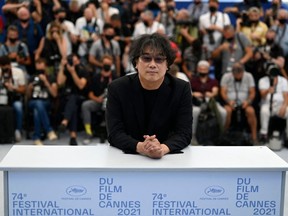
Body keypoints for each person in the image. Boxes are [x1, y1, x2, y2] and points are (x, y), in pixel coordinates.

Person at [106, 33, 192, 159]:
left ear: (167, 64)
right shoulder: (117, 88)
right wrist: (141, 147)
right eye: (146, 58)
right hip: (127, 159)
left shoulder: (181, 88)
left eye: (159, 59)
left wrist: (162, 149)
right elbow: (114, 133)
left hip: (168, 160)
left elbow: (184, 133)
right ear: (136, 62)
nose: (152, 64)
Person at [81, 55, 117, 144]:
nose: (107, 65)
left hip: (110, 103)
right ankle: (88, 133)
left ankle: (112, 133)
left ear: (112, 64)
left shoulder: (115, 77)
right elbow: (90, 93)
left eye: (109, 64)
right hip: (98, 101)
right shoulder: (96, 77)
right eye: (105, 63)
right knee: (85, 105)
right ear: (102, 64)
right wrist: (97, 99)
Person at [220, 63, 258, 144]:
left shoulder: (249, 76)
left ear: (243, 72)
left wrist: (248, 102)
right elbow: (223, 92)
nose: (237, 76)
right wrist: (229, 101)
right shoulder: (226, 76)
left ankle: (254, 137)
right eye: (235, 74)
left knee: (251, 111)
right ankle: (223, 135)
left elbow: (252, 92)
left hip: (245, 102)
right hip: (230, 102)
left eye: (239, 74)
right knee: (227, 111)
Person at [190, 60, 226, 145]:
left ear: (208, 70)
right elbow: (188, 92)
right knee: (194, 112)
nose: (203, 71)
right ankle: (193, 135)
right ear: (198, 69)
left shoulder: (213, 81)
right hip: (196, 103)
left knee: (223, 112)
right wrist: (194, 94)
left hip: (211, 103)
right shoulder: (193, 81)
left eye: (204, 69)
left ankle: (221, 134)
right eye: (201, 69)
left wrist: (211, 94)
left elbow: (215, 91)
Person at [57, 54, 88, 145]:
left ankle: (65, 122)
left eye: (75, 61)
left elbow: (81, 86)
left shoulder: (83, 70)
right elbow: (59, 83)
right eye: (71, 61)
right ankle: (73, 137)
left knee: (73, 99)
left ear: (78, 60)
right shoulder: (66, 70)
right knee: (72, 105)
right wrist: (62, 66)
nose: (73, 63)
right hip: (67, 99)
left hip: (81, 97)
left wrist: (73, 72)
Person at [27, 58, 58, 145]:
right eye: (37, 63)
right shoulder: (32, 77)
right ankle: (49, 130)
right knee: (37, 104)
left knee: (38, 109)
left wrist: (46, 82)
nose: (38, 65)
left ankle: (37, 137)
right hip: (33, 101)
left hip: (46, 102)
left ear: (46, 65)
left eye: (41, 63)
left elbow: (54, 94)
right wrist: (29, 88)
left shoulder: (51, 77)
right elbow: (28, 96)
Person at [258, 64, 288, 143]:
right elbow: (262, 95)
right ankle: (264, 134)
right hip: (267, 104)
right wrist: (268, 90)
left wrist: (284, 106)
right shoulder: (262, 80)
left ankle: (287, 136)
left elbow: (286, 95)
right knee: (264, 111)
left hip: (280, 106)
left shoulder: (283, 80)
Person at [0, 56, 26, 142]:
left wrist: (13, 87)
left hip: (14, 98)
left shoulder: (18, 72)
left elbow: (23, 89)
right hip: (1, 97)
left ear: (10, 65)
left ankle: (17, 131)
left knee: (18, 107)